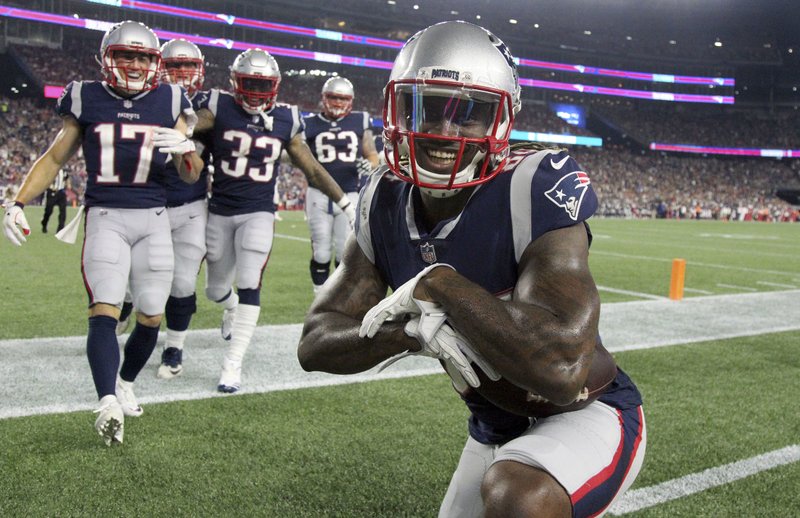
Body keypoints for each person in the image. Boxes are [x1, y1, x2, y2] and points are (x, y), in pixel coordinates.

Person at [298, 21, 646, 518]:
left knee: (517, 498)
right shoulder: (382, 197)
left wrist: (439, 286)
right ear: (396, 109)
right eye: (427, 107)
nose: (443, 131)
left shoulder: (533, 186)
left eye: (469, 113)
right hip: (494, 424)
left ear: (500, 121)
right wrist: (411, 333)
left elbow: (564, 371)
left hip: (589, 412)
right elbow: (316, 341)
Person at [3, 20, 203, 446]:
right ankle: (107, 399)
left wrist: (187, 150)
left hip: (154, 218)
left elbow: (191, 175)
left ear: (155, 62)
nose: (133, 64)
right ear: (106, 59)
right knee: (105, 310)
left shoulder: (171, 99)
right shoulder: (86, 95)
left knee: (151, 315)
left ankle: (126, 382)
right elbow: (55, 156)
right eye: (124, 55)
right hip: (106, 215)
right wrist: (18, 202)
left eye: (143, 57)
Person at [193, 48, 354, 393]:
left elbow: (311, 168)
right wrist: (181, 131)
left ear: (275, 86)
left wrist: (343, 202)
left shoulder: (285, 119)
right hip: (219, 210)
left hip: (259, 211)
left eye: (261, 84)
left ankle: (232, 365)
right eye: (249, 82)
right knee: (215, 289)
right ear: (236, 82)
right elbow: (190, 126)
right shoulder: (218, 107)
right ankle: (230, 307)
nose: (254, 90)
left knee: (251, 281)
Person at [150, 37, 212, 379]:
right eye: (176, 65)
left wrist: (182, 126)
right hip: (148, 203)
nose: (183, 72)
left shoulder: (207, 104)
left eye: (190, 65)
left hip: (191, 203)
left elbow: (205, 118)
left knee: (183, 282)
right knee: (138, 281)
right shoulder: (147, 97)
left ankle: (174, 345)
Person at [303, 76, 379, 293]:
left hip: (350, 193)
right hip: (318, 193)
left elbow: (372, 153)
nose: (337, 103)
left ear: (351, 100)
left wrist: (369, 164)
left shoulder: (360, 121)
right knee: (321, 251)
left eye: (342, 98)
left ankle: (336, 297)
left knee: (343, 252)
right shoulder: (309, 123)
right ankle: (319, 296)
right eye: (334, 98)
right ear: (324, 98)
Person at [41, 168, 71, 233]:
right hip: (52, 192)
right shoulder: (50, 170)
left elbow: (67, 178)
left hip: (61, 192)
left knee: (63, 211)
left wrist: (68, 184)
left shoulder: (63, 171)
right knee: (49, 211)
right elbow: (45, 180)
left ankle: (60, 229)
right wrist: (49, 186)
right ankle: (44, 223)